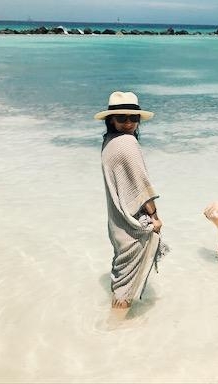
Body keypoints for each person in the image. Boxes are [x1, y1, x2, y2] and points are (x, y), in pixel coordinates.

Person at [94, 91, 163, 310]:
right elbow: (141, 186)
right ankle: (117, 329)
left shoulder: (109, 142)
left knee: (121, 278)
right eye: (122, 118)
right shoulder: (127, 143)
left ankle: (118, 335)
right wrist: (154, 217)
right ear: (111, 120)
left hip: (117, 225)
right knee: (126, 289)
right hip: (133, 226)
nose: (129, 123)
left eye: (134, 118)